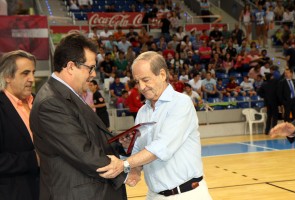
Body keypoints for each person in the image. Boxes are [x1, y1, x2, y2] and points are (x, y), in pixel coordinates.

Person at [29, 33, 139, 200]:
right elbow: (82, 151)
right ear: (71, 66)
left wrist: (117, 141)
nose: (93, 74)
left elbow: (87, 136)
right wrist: (123, 172)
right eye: (90, 67)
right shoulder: (51, 102)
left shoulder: (65, 96)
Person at [97, 51, 212, 200]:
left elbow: (162, 147)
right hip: (154, 195)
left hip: (187, 194)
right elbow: (138, 150)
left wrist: (124, 164)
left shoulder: (181, 103)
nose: (142, 87)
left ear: (162, 75)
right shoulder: (142, 112)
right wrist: (134, 165)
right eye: (137, 82)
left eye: (146, 80)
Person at [0, 50, 39, 200]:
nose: (32, 79)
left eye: (33, 73)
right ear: (8, 76)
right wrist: (34, 159)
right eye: (25, 73)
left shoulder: (38, 103)